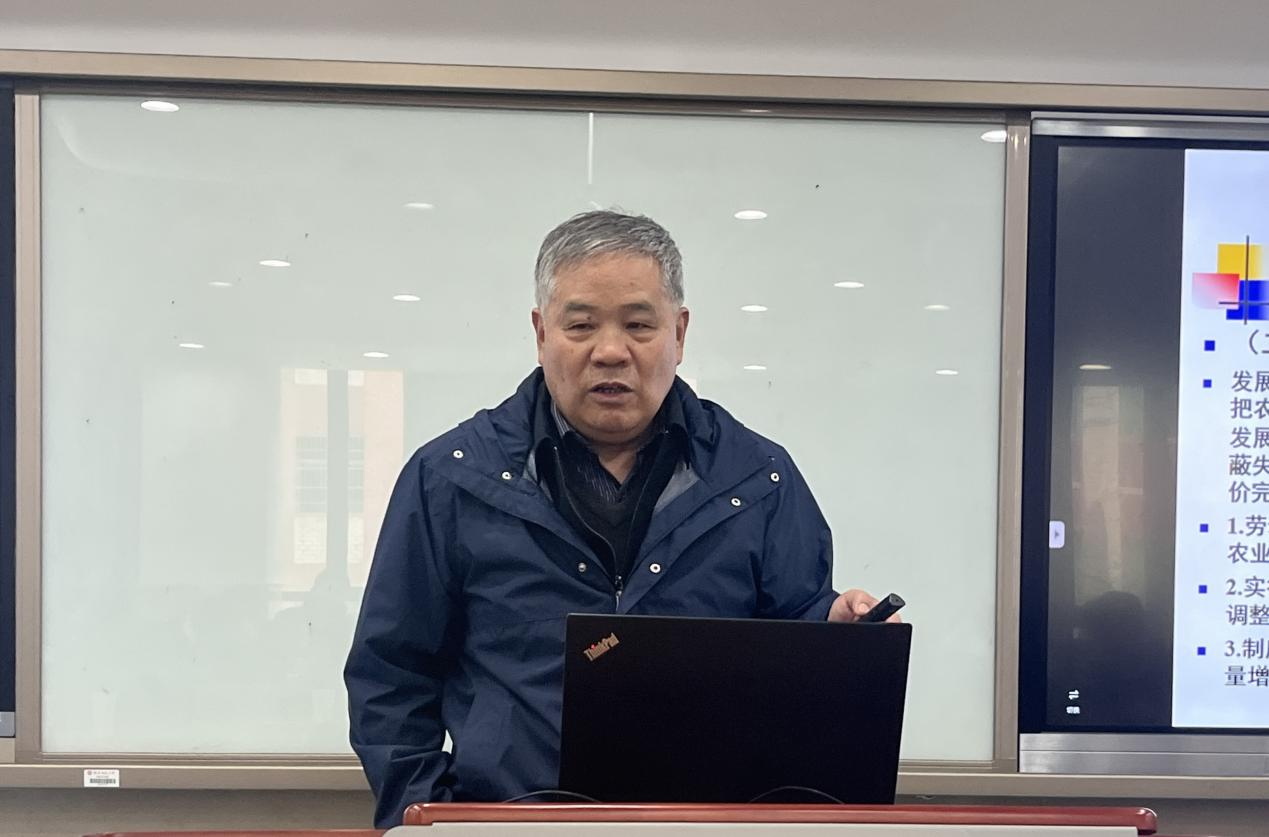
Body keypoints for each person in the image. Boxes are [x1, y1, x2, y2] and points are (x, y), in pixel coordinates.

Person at [344, 210, 893, 826]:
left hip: (702, 829)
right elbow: (390, 674)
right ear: (541, 333)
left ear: (679, 333)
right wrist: (435, 819)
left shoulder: (758, 478)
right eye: (581, 325)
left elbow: (793, 658)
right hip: (512, 827)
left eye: (638, 325)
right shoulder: (451, 478)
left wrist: (834, 632)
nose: (610, 352)